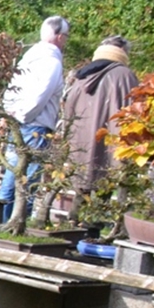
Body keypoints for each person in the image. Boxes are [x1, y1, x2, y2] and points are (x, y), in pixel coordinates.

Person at [0, 15, 71, 216]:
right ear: (58, 37)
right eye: (66, 36)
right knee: (26, 182)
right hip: (34, 125)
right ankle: (15, 222)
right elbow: (41, 96)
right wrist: (25, 116)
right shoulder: (51, 62)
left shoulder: (29, 57)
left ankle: (0, 221)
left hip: (19, 121)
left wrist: (11, 113)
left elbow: (11, 90)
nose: (66, 41)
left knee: (12, 176)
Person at [61, 36, 140, 193]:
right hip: (111, 146)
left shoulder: (81, 76)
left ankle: (75, 216)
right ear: (123, 51)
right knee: (107, 186)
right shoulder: (124, 75)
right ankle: (105, 214)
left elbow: (67, 112)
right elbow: (134, 112)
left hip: (79, 146)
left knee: (82, 187)